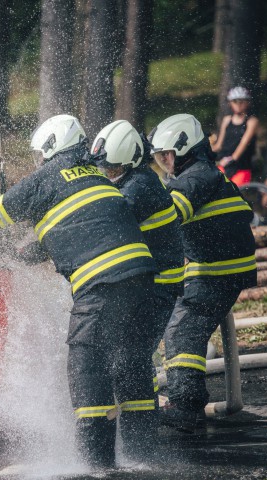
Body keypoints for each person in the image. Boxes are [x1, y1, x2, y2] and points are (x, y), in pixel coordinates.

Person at [0, 114, 158, 469]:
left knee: (87, 363)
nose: (38, 161)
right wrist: (22, 255)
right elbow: (71, 226)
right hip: (143, 282)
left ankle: (95, 465)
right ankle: (143, 455)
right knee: (128, 363)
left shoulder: (48, 177)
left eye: (40, 153)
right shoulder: (93, 175)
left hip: (102, 284)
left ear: (52, 147)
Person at [151, 113, 256, 431]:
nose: (163, 163)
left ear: (180, 149)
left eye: (164, 156)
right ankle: (181, 399)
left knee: (183, 329)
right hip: (213, 267)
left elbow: (169, 217)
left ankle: (186, 405)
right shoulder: (200, 173)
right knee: (176, 323)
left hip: (216, 271)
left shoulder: (195, 177)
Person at [90, 120, 185, 393]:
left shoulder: (139, 186)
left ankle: (143, 421)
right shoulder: (130, 179)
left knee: (133, 356)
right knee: (127, 355)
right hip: (143, 285)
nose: (107, 174)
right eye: (103, 168)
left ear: (131, 161)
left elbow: (106, 221)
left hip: (158, 287)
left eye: (113, 169)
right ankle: (140, 413)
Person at [212, 86, 259, 186]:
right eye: (235, 101)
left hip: (241, 166)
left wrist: (232, 158)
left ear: (247, 102)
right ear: (230, 103)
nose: (238, 104)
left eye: (242, 101)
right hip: (222, 164)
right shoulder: (227, 120)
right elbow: (219, 145)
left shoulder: (252, 121)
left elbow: (244, 143)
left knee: (236, 194)